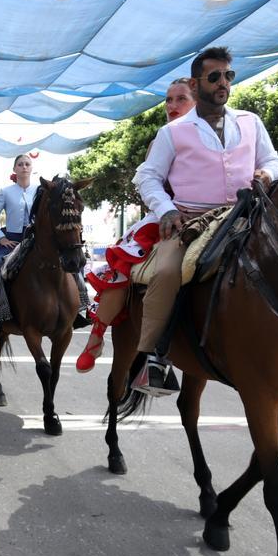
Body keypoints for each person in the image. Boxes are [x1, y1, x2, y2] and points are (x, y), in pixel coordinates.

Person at [130, 47, 278, 394]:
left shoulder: (250, 121)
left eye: (229, 75)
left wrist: (268, 173)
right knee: (168, 272)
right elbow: (147, 177)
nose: (224, 83)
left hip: (247, 215)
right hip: (190, 222)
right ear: (197, 86)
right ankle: (154, 356)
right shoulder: (173, 132)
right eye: (215, 77)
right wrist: (166, 210)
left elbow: (275, 161)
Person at [76, 78, 196, 372]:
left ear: (197, 102)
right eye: (168, 100)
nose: (171, 106)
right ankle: (97, 335)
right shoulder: (163, 138)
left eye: (180, 99)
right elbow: (151, 182)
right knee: (125, 264)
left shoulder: (219, 134)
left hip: (217, 212)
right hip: (168, 215)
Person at [0, 154, 40, 335]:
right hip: (11, 241)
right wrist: (1, 239)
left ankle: (77, 310)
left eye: (27, 164)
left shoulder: (40, 191)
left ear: (32, 168)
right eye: (20, 164)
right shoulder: (6, 192)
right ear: (15, 169)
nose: (24, 167)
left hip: (36, 240)